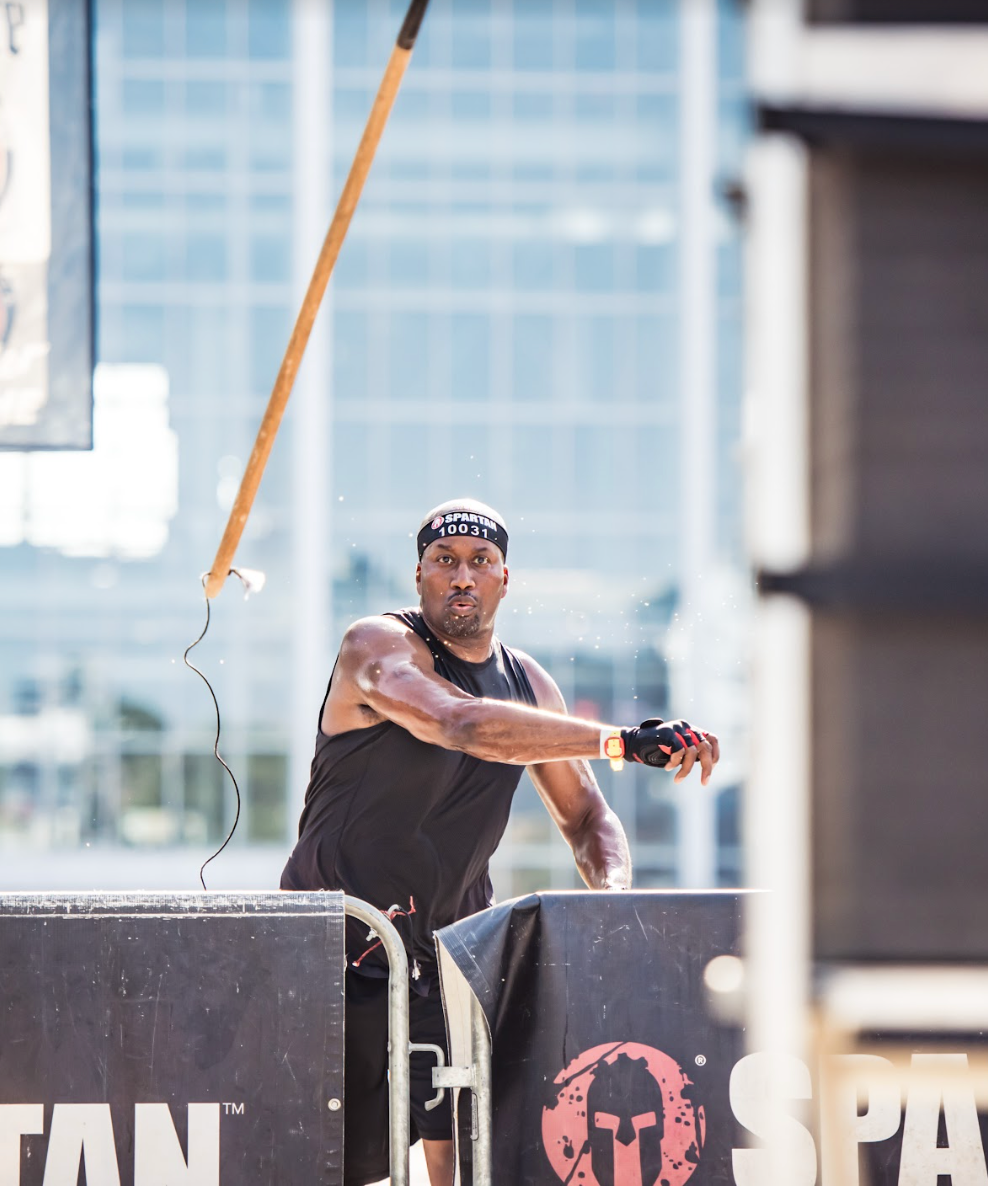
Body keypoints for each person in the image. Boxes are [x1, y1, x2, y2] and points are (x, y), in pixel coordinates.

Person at [280, 497, 721, 1186]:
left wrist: (609, 904)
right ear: (419, 575)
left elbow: (587, 820)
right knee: (345, 1166)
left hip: (451, 952)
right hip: (339, 946)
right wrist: (620, 741)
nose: (462, 576)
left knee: (461, 1161)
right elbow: (458, 723)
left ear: (503, 580)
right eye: (444, 561)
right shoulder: (375, 646)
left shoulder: (527, 683)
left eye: (479, 562)